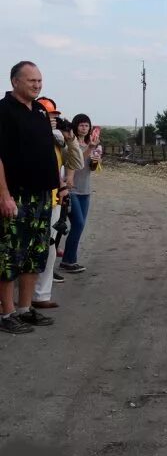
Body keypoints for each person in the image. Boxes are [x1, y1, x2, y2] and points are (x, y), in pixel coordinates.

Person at [0, 61, 63, 333]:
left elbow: (46, 153)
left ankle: (25, 309)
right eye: (31, 81)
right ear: (15, 81)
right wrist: (3, 195)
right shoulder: (3, 111)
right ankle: (7, 313)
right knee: (9, 255)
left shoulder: (38, 111)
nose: (37, 85)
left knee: (34, 253)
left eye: (39, 80)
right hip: (15, 195)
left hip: (41, 196)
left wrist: (58, 184)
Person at [31, 97, 83, 309]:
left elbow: (77, 163)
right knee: (22, 248)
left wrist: (70, 140)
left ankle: (41, 295)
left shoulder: (59, 141)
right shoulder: (32, 136)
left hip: (53, 200)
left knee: (50, 248)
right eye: (49, 117)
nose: (53, 121)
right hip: (30, 198)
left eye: (55, 117)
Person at [59, 113, 99, 274]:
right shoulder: (70, 144)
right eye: (81, 125)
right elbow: (77, 163)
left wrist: (96, 161)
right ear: (75, 126)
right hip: (71, 190)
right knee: (78, 224)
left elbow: (90, 168)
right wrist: (89, 149)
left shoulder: (92, 145)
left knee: (78, 226)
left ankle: (69, 259)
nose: (84, 128)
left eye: (87, 125)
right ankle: (68, 260)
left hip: (85, 190)